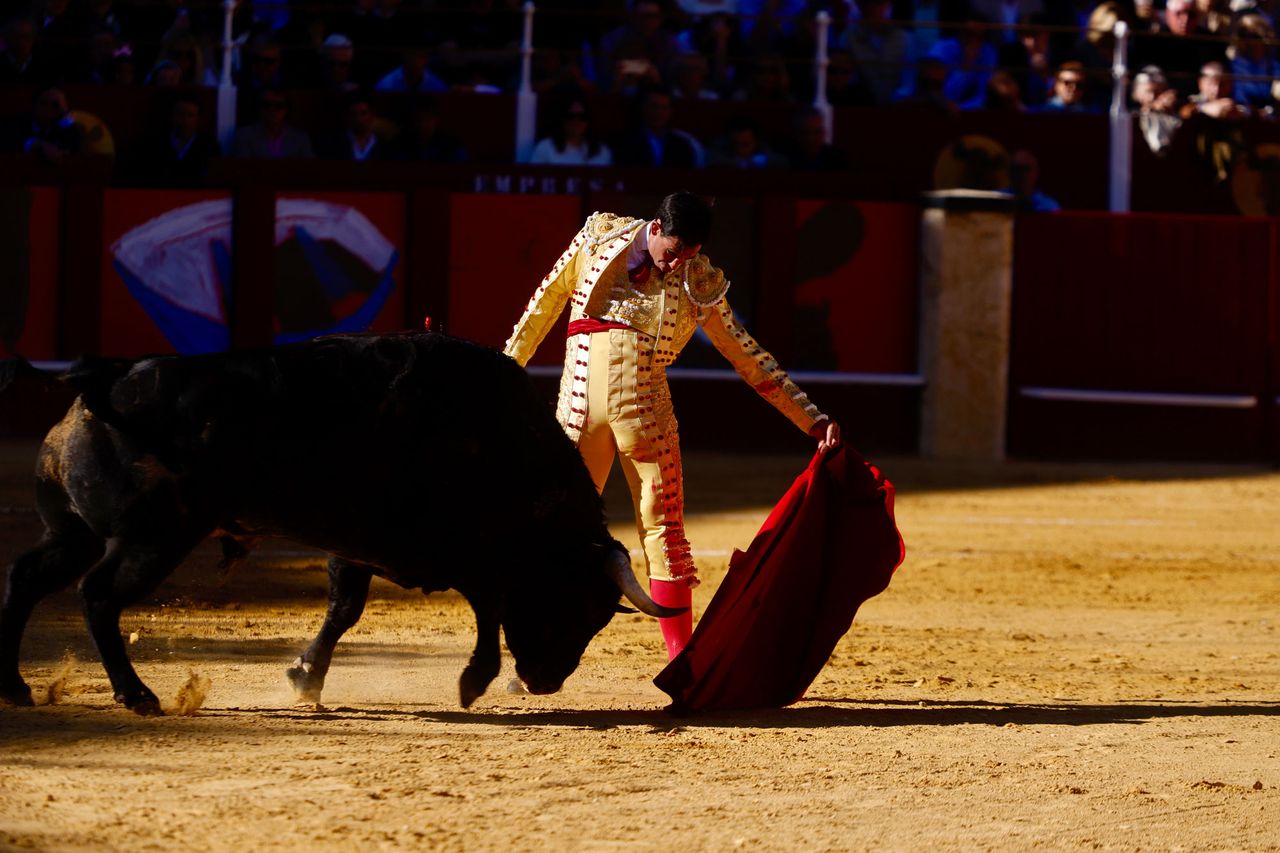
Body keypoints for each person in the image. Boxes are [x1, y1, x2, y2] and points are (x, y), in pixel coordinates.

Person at [502, 192, 841, 660]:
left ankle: (682, 661)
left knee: (664, 530)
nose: (678, 263)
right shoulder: (598, 238)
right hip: (576, 412)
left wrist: (811, 418)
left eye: (690, 255)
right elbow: (542, 308)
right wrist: (502, 372)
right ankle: (533, 653)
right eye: (674, 251)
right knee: (554, 529)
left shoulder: (699, 282)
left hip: (646, 417)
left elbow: (748, 356)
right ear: (656, 227)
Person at [231, 88, 314, 159]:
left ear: (286, 110)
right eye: (266, 105)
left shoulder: (300, 138)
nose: (272, 110)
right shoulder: (244, 136)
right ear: (259, 108)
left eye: (278, 105)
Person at [530, 96, 613, 165]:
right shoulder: (545, 148)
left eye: (582, 117)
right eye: (570, 116)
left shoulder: (602, 152)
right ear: (562, 120)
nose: (576, 121)